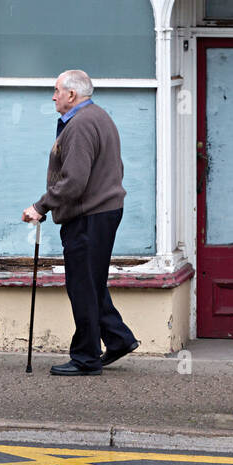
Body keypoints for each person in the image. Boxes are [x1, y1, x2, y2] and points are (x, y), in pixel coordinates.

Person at [22, 69, 139, 376]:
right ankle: (118, 339)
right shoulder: (98, 117)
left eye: (57, 90)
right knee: (92, 281)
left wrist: (40, 206)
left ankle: (86, 357)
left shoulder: (81, 125)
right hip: (102, 211)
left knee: (83, 286)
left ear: (71, 95)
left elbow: (73, 181)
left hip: (90, 215)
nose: (53, 96)